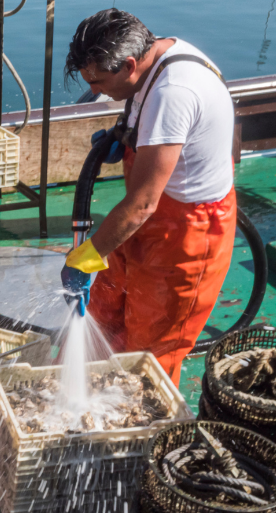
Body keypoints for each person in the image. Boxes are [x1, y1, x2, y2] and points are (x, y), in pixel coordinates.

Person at [60, 9, 237, 386]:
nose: (93, 90)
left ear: (128, 65)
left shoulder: (174, 92)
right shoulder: (157, 56)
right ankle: (80, 388)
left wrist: (87, 256)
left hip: (188, 233)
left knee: (150, 349)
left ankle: (134, 433)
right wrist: (123, 136)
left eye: (99, 80)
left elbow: (141, 204)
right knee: (103, 307)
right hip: (150, 215)